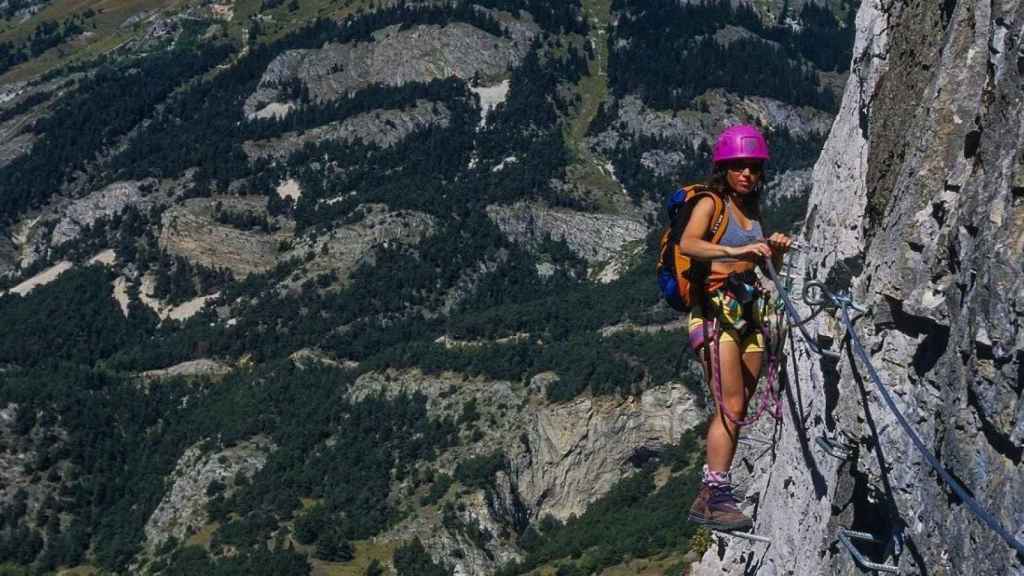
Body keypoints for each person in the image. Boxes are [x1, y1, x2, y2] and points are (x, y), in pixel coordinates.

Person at [682, 125, 792, 531]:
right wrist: (735, 249)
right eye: (738, 166)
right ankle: (715, 492)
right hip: (714, 313)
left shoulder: (752, 211)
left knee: (742, 403)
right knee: (730, 405)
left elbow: (762, 268)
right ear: (724, 169)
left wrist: (772, 253)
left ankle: (710, 496)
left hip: (748, 312)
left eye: (753, 167)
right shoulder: (712, 203)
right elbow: (689, 244)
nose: (746, 174)